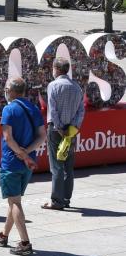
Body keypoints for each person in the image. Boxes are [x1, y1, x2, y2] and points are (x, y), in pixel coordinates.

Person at [0, 77, 45, 256]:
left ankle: (25, 242)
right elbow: (41, 136)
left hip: (11, 162)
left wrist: (20, 153)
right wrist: (27, 152)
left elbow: (8, 137)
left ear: (12, 91)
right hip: (28, 164)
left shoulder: (9, 109)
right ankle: (3, 235)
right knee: (14, 200)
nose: (5, 91)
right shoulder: (34, 109)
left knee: (14, 202)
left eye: (7, 88)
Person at [43, 57, 85, 211]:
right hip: (71, 131)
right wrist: (73, 127)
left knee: (56, 166)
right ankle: (66, 198)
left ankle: (56, 200)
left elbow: (52, 110)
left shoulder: (53, 86)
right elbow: (81, 111)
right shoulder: (77, 87)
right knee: (68, 165)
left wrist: (60, 127)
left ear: (57, 69)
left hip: (56, 130)